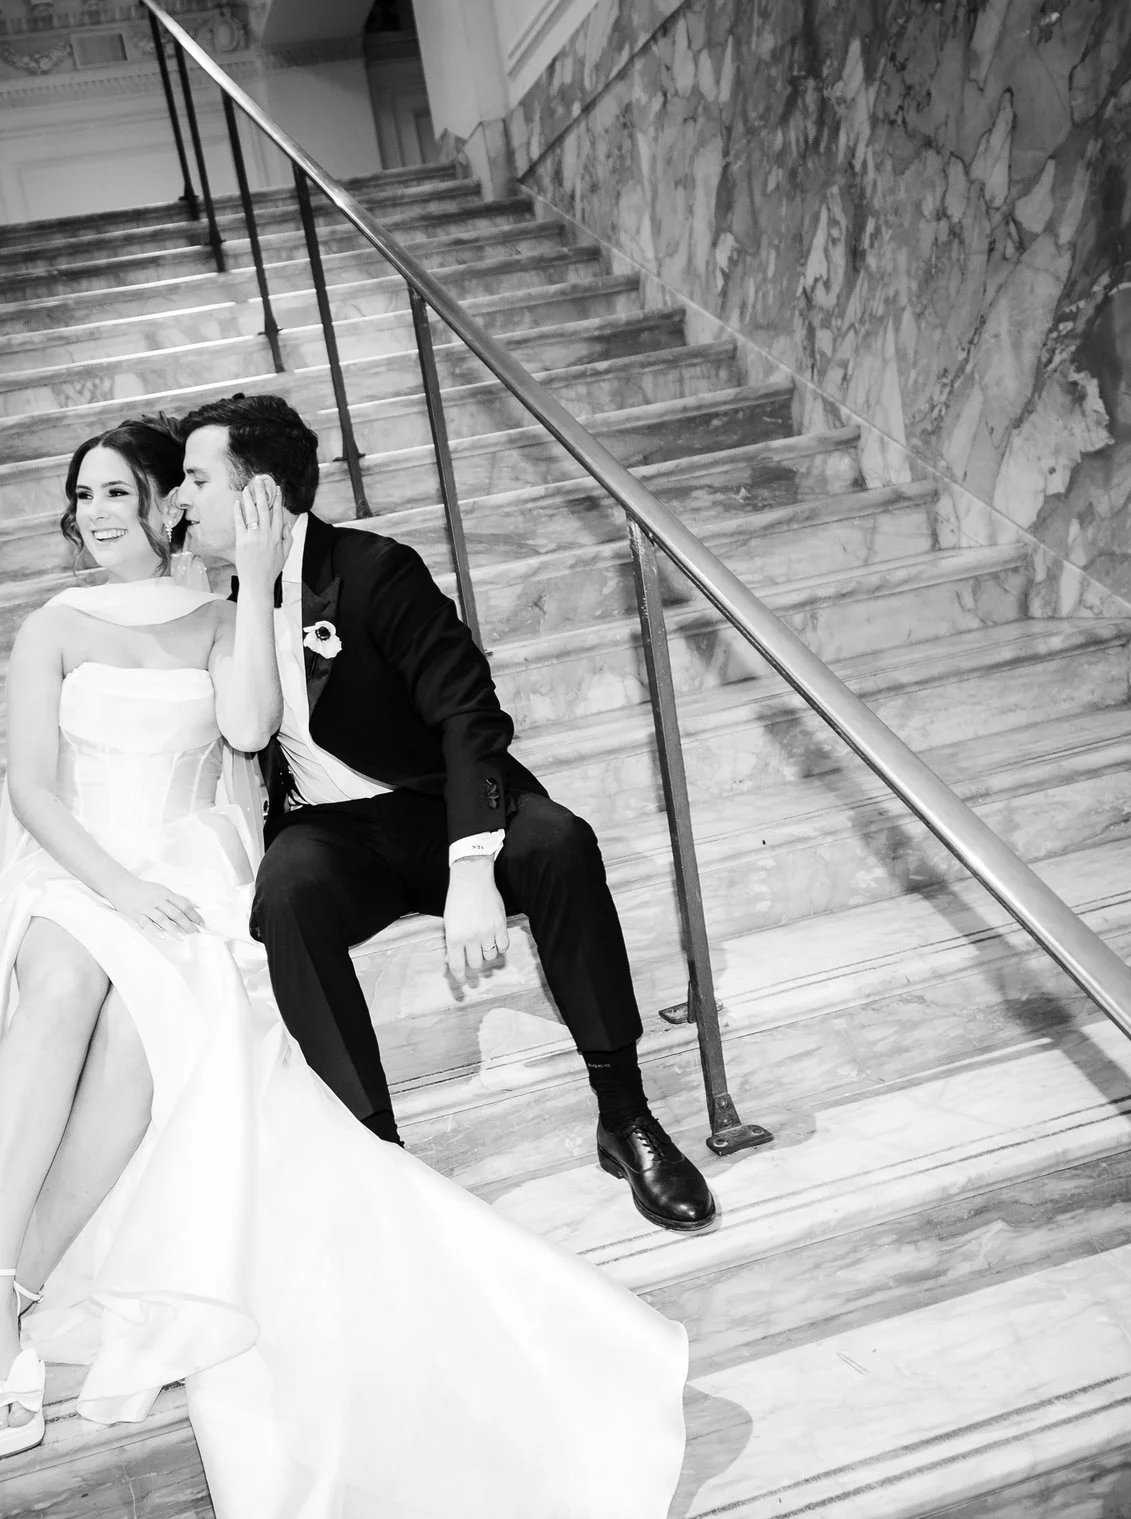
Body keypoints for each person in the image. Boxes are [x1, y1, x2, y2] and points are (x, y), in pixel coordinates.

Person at [0, 418, 686, 1519]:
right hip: (82, 862)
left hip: (284, 843)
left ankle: (619, 1105)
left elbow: (266, 732)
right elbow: (37, 789)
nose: (100, 511)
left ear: (176, 505)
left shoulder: (281, 596)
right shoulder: (50, 626)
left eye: (131, 490)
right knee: (77, 968)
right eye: (81, 495)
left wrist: (257, 590)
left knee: (177, 1013)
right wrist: (105, 879)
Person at [166, 392, 718, 1232]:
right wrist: (242, 576)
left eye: (197, 479)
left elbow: (470, 715)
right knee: (286, 895)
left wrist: (471, 864)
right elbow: (245, 729)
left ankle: (626, 1113)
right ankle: (377, 1153)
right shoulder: (226, 605)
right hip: (329, 830)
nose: (180, 498)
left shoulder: (375, 570)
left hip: (432, 805)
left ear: (261, 494)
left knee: (560, 843)